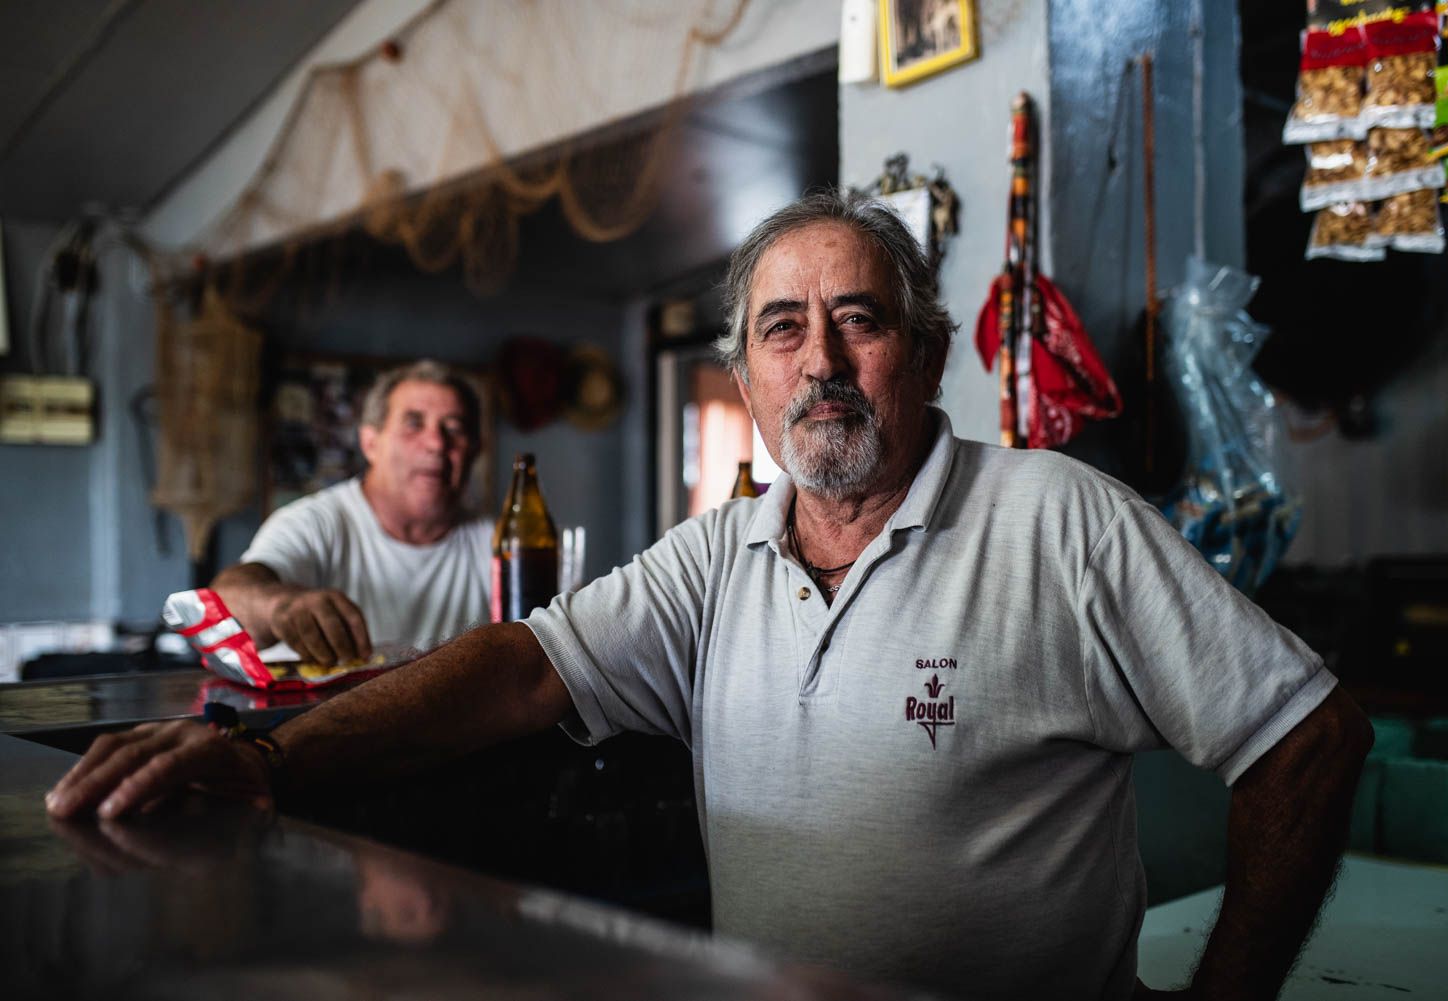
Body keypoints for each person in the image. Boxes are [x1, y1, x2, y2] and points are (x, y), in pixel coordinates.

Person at [47, 190, 1371, 1001]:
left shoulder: (1057, 515)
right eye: (783, 330)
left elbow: (1304, 732)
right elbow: (518, 667)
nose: (823, 360)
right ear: (746, 372)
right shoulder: (719, 548)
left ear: (919, 352)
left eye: (859, 319)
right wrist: (261, 759)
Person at [214, 359, 491, 665]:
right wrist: (281, 607)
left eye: (454, 429)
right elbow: (229, 603)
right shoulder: (315, 524)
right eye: (413, 424)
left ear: (475, 450)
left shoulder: (500, 545)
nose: (437, 444)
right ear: (370, 442)